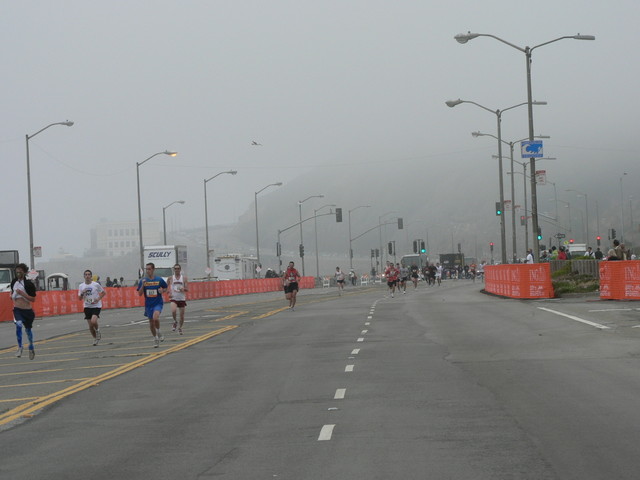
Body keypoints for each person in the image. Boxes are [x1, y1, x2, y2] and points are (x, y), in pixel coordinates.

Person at [137, 262, 168, 348]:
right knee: (151, 322)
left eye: (149, 269)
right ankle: (155, 338)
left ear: (153, 269)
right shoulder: (143, 280)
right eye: (147, 269)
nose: (148, 271)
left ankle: (158, 331)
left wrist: (163, 290)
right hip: (148, 304)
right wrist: (143, 285)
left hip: (157, 303)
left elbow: (165, 287)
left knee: (155, 317)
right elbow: (139, 294)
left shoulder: (159, 279)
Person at [11, 263, 37, 359]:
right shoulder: (14, 282)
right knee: (18, 324)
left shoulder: (29, 284)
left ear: (24, 272)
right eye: (17, 272)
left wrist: (22, 294)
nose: (18, 273)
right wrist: (13, 297)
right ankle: (20, 347)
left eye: (20, 272)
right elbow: (12, 293)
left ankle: (31, 346)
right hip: (17, 310)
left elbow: (33, 299)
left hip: (28, 311)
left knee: (28, 330)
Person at [78, 269, 106, 346]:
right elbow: (79, 298)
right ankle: (95, 339)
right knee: (90, 326)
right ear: (84, 276)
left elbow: (103, 293)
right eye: (86, 275)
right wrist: (82, 293)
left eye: (89, 274)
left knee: (94, 321)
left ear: (91, 276)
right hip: (87, 306)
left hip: (96, 305)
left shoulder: (95, 284)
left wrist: (98, 299)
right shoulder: (81, 286)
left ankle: (97, 330)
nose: (87, 276)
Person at [167, 263, 188, 335]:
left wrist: (183, 289)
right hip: (174, 298)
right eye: (175, 269)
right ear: (173, 269)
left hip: (181, 298)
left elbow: (187, 289)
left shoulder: (184, 278)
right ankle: (175, 321)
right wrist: (168, 292)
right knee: (173, 310)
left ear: (180, 269)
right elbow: (167, 286)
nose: (177, 270)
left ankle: (180, 328)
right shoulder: (170, 278)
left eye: (178, 269)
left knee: (182, 316)